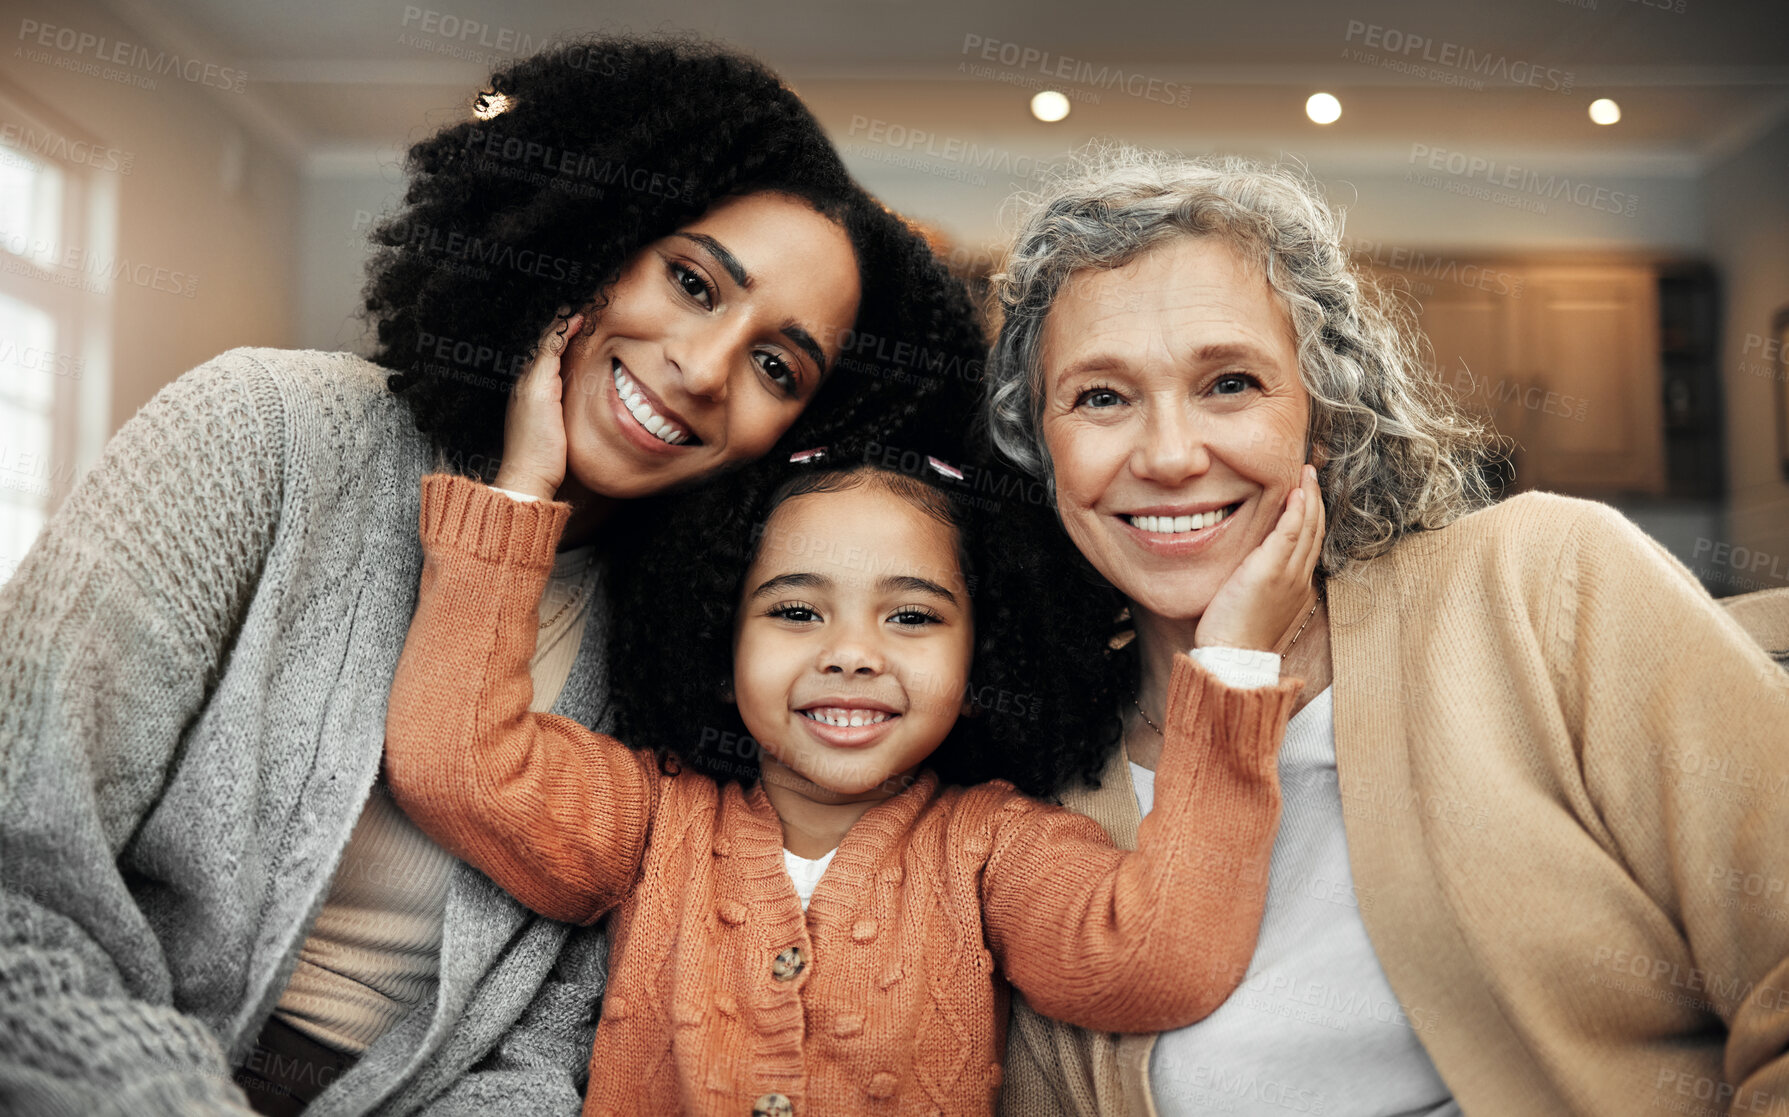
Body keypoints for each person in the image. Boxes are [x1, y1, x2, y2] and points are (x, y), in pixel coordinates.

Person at [0, 36, 986, 1117]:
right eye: (693, 281)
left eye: (775, 366)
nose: (703, 370)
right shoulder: (261, 433)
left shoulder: (697, 656)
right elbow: (22, 872)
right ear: (589, 233)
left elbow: (557, 1044)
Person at [982, 148, 1789, 1116]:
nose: (1167, 454)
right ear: (1039, 448)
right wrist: (1227, 671)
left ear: (1321, 418)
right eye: (1100, 397)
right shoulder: (1040, 783)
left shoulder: (1539, 583)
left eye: (1229, 382)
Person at [376, 299, 1328, 1111]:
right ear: (720, 642)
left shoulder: (991, 847)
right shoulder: (650, 816)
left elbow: (1160, 961)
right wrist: (523, 486)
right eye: (795, 609)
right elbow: (455, 759)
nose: (852, 654)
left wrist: (1233, 658)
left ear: (982, 654)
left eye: (912, 616)